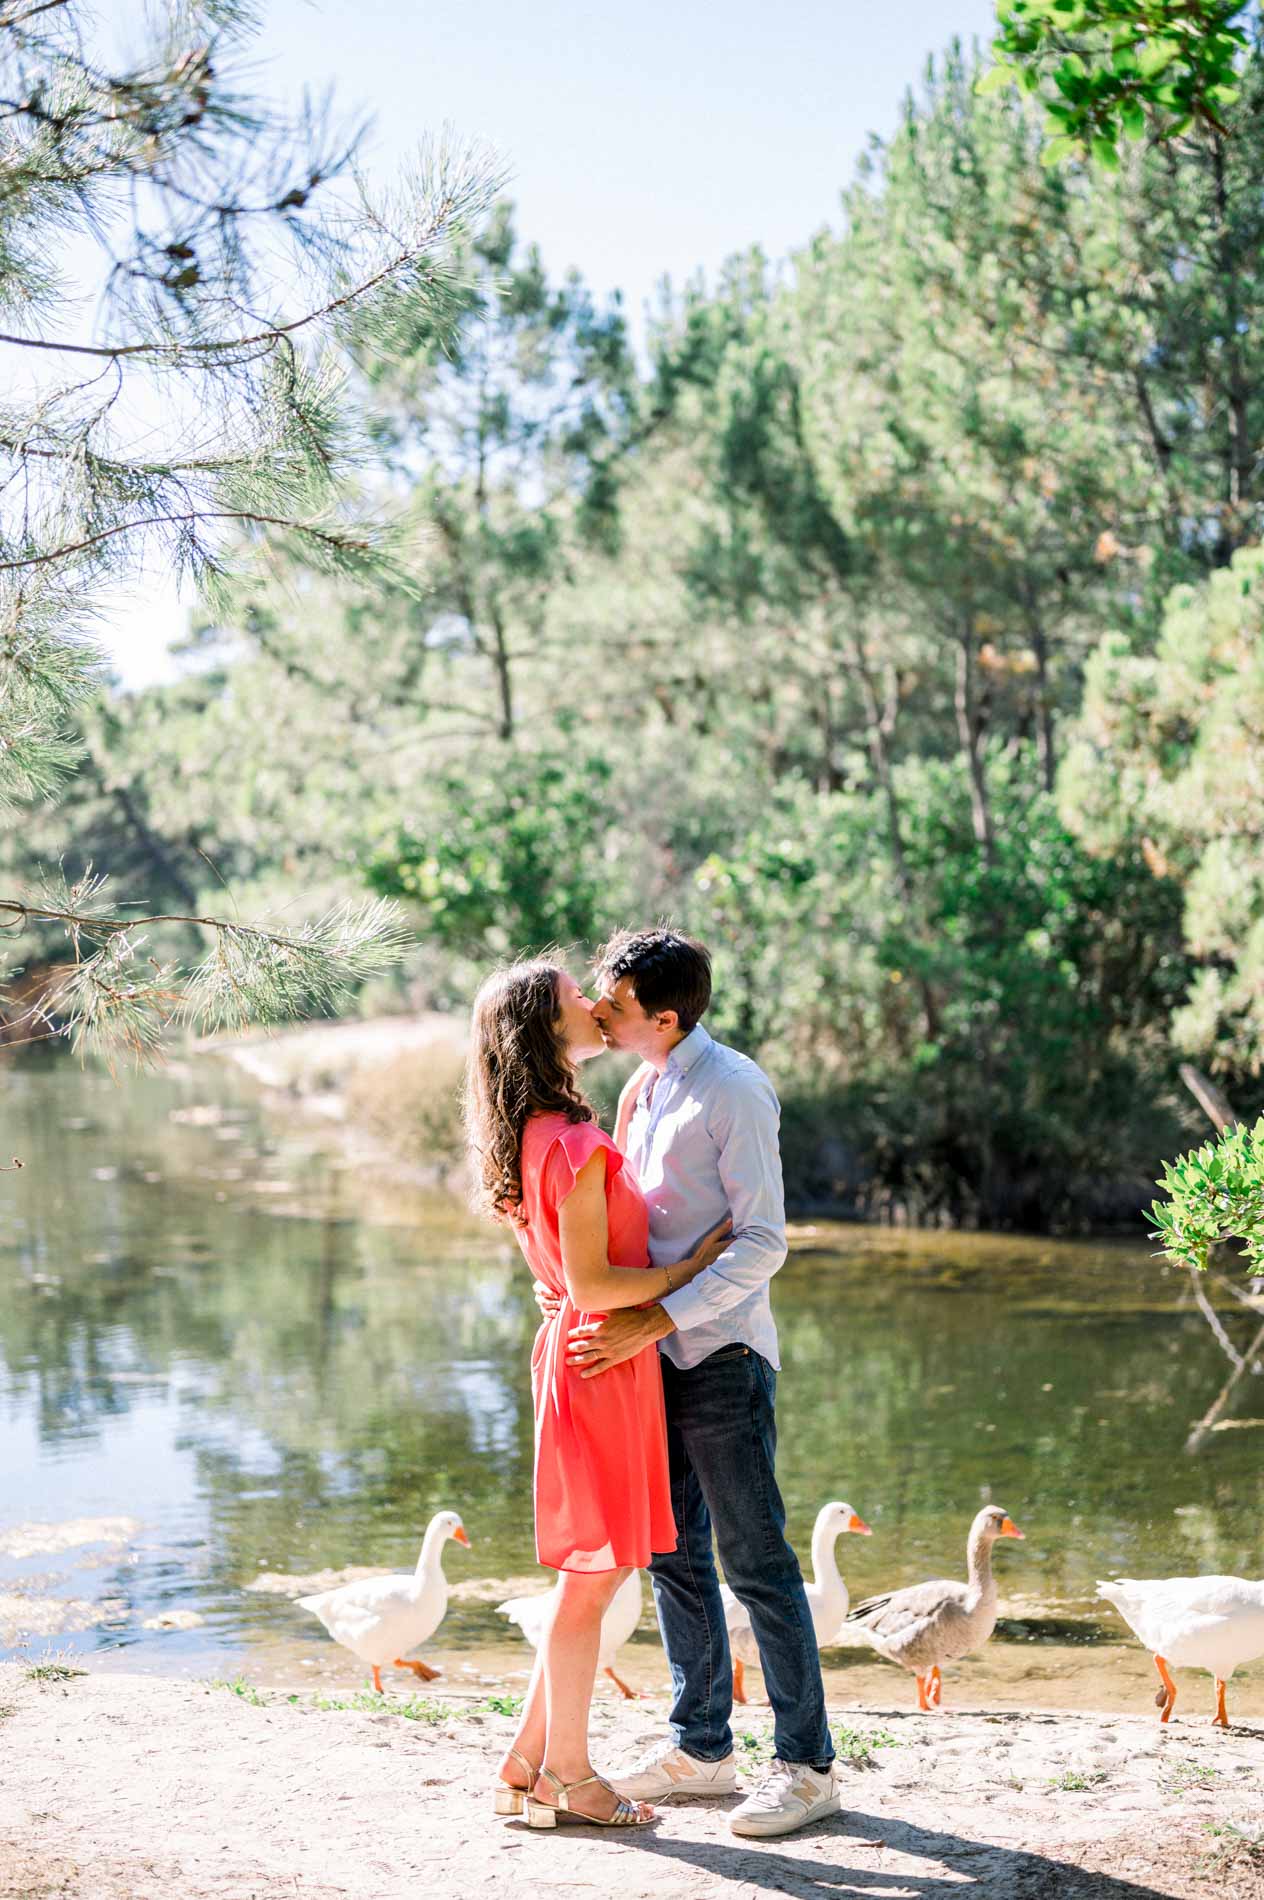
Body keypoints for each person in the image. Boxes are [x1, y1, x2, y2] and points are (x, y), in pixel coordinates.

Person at [539, 928, 839, 1840]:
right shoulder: (637, 1087)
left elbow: (764, 1241)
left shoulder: (736, 1089)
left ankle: (808, 1766)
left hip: (721, 1358)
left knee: (755, 1561)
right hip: (643, 1366)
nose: (598, 1009)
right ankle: (703, 1751)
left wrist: (660, 1319)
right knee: (672, 1556)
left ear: (664, 1017)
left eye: (615, 1003)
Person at [464, 959, 730, 1830]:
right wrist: (693, 1266)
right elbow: (592, 1283)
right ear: (546, 1027)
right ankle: (569, 1777)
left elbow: (560, 1274)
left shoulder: (534, 1134)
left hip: (579, 1359)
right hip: (601, 1366)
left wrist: (582, 1285)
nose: (594, 1001)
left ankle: (524, 1761)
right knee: (593, 1579)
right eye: (578, 997)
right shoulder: (573, 1144)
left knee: (593, 1576)